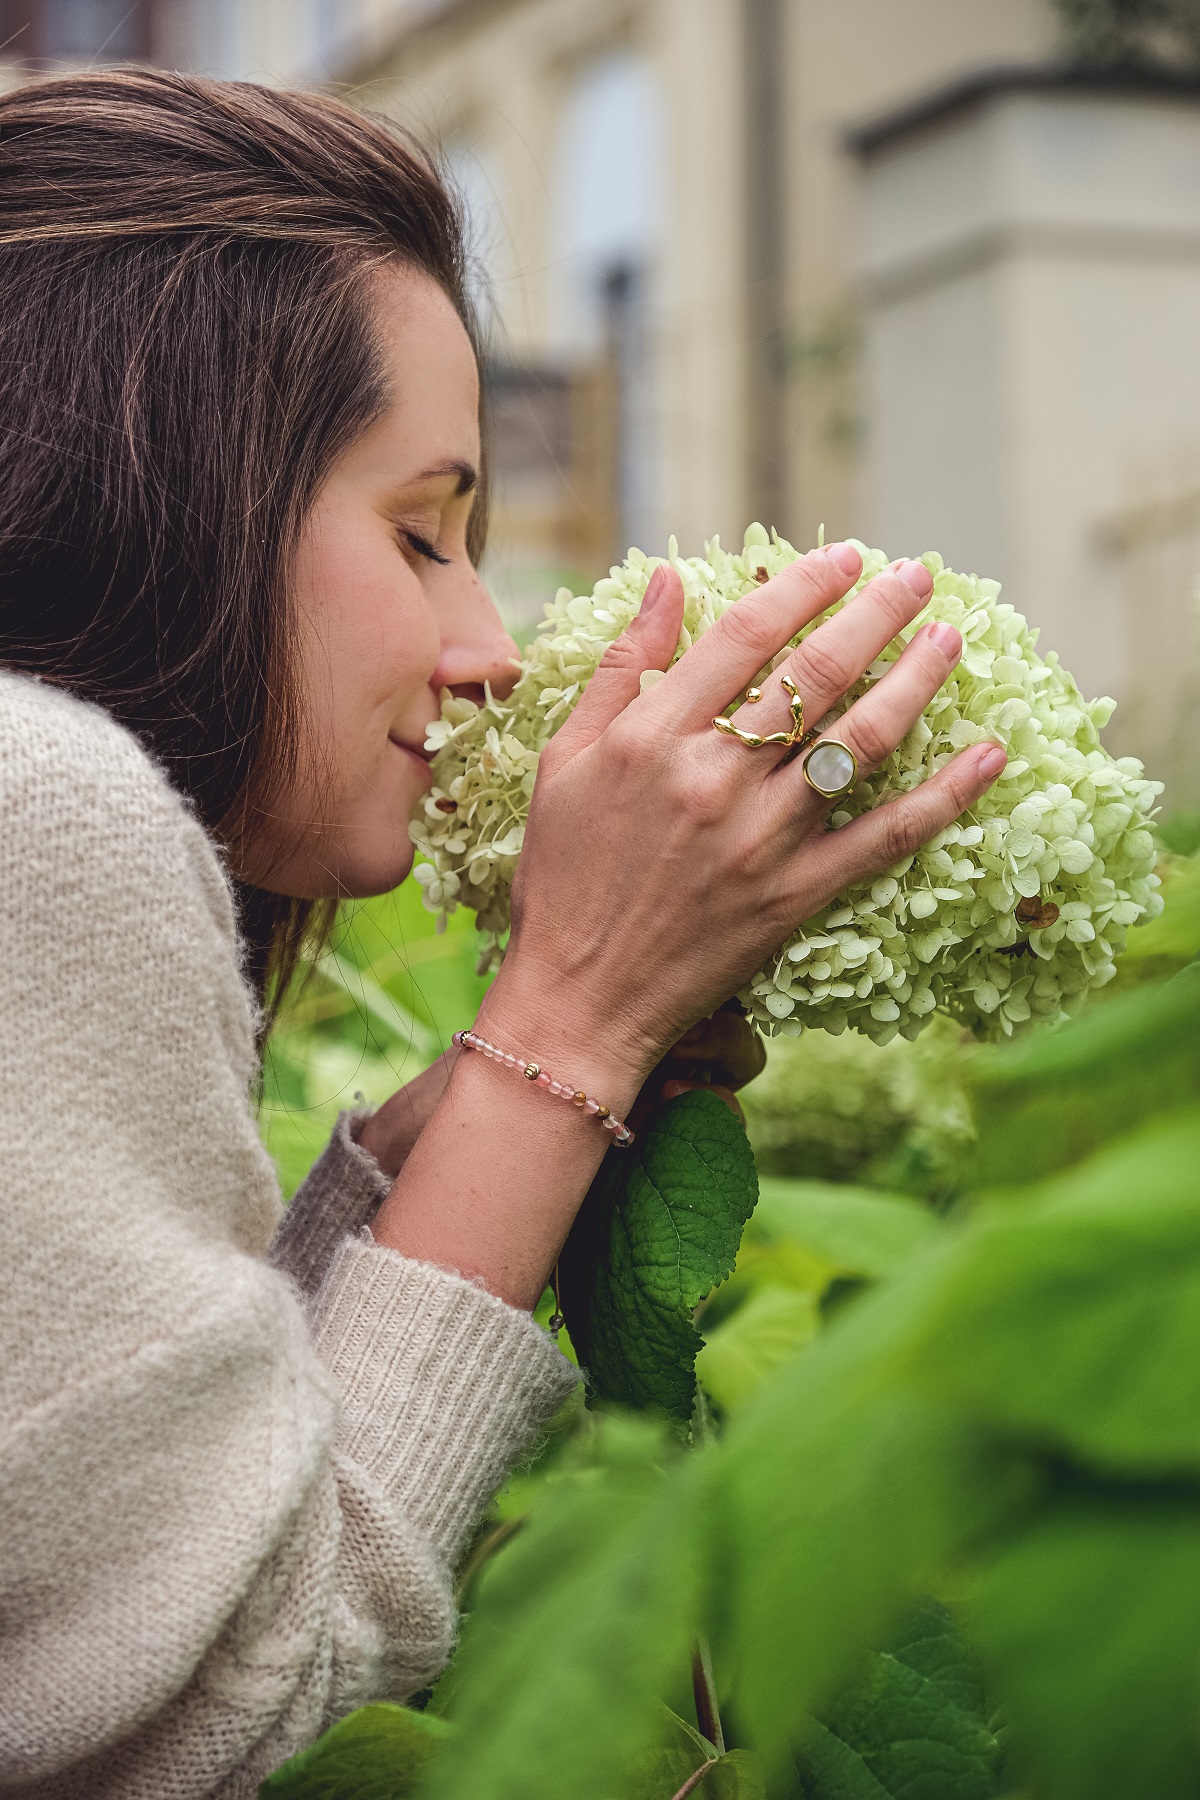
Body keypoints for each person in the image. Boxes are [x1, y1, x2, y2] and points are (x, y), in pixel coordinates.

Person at [0, 69, 1006, 1799]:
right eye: (419, 532)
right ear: (163, 492)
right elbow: (223, 1705)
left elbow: (99, 1508)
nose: (485, 645)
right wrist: (578, 1017)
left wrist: (486, 1102)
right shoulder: (47, 802)